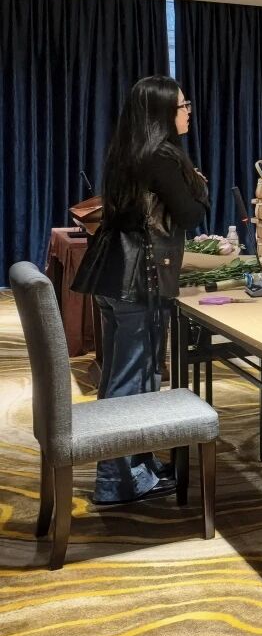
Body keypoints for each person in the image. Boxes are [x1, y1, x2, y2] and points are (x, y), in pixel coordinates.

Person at [72, 75, 209, 505]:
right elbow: (191, 214)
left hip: (115, 276)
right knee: (132, 381)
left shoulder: (128, 151)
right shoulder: (161, 156)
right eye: (183, 105)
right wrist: (197, 183)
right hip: (139, 280)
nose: (188, 112)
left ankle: (137, 466)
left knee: (124, 376)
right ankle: (118, 480)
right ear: (163, 113)